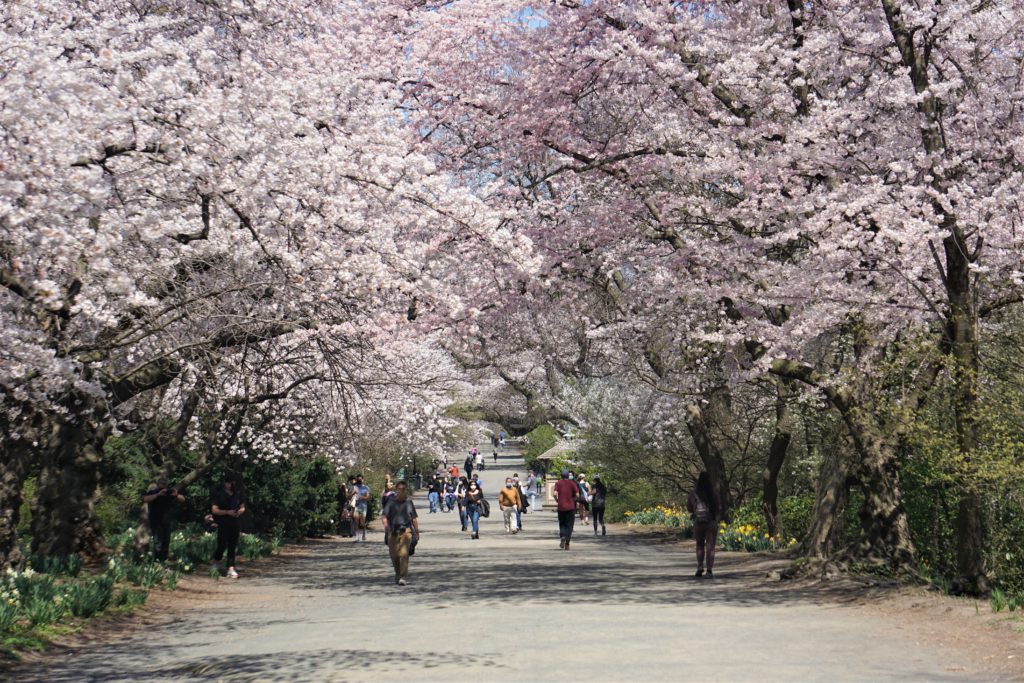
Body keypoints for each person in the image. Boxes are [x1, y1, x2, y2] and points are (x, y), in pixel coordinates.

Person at [381, 480, 420, 585]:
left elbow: (414, 518)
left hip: (405, 531)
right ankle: (397, 573)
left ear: (405, 490)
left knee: (404, 554)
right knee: (394, 555)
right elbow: (384, 515)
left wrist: (416, 532)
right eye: (399, 489)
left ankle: (402, 576)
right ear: (396, 490)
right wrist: (386, 526)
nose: (401, 491)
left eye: (403, 489)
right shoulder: (391, 502)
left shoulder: (408, 502)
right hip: (393, 531)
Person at [686, 472, 722, 578]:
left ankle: (699, 566)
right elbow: (719, 507)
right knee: (710, 546)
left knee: (699, 545)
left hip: (698, 523)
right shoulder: (713, 493)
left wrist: (696, 510)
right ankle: (709, 571)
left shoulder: (693, 494)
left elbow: (689, 508)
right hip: (711, 522)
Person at [143, 477, 184, 562]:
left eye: (165, 484)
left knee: (166, 542)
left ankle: (163, 560)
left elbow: (182, 499)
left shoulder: (169, 493)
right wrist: (158, 494)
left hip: (167, 520)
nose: (164, 485)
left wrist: (176, 495)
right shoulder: (153, 492)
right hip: (156, 520)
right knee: (158, 542)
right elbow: (145, 499)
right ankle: (156, 561)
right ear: (158, 484)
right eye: (162, 483)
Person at [212, 478, 246, 579]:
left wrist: (239, 512)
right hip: (223, 522)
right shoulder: (219, 494)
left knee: (232, 545)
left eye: (231, 482)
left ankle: (231, 568)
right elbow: (214, 510)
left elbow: (242, 507)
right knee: (222, 544)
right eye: (228, 482)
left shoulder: (237, 494)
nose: (230, 484)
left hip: (234, 522)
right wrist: (227, 512)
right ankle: (217, 560)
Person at [552, 469, 579, 550]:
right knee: (569, 525)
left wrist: (557, 500)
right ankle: (567, 543)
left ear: (561, 476)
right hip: (570, 507)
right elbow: (577, 495)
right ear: (568, 476)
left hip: (561, 507)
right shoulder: (572, 483)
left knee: (562, 524)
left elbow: (554, 493)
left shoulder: (558, 483)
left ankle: (563, 536)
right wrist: (573, 500)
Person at [353, 474, 371, 542]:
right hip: (357, 506)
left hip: (363, 506)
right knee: (356, 519)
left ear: (363, 480)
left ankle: (364, 533)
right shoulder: (355, 487)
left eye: (360, 479)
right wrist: (352, 493)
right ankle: (357, 537)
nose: (359, 481)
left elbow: (368, 498)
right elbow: (348, 496)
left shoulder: (366, 487)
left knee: (362, 522)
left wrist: (361, 497)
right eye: (358, 479)